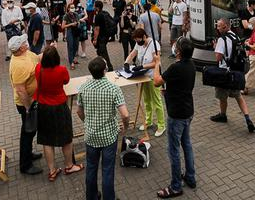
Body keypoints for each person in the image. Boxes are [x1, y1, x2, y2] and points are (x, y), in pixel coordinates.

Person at [77, 57, 129, 200]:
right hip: (108, 137)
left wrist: (87, 123)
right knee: (107, 170)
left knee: (91, 168)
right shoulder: (114, 88)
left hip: (91, 136)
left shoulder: (83, 88)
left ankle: (92, 196)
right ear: (105, 70)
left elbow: (79, 111)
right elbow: (125, 114)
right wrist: (125, 127)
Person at [152, 37, 196, 198]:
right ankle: (190, 177)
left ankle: (176, 186)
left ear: (178, 52)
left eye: (175, 46)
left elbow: (157, 81)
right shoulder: (191, 65)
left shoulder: (175, 68)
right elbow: (179, 84)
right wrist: (169, 91)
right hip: (187, 111)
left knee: (174, 150)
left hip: (177, 114)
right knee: (187, 144)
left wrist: (157, 63)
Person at [34, 45, 83, 181]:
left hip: (43, 107)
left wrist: (45, 52)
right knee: (66, 138)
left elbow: (39, 58)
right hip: (59, 106)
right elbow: (66, 81)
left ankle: (52, 170)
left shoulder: (38, 69)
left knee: (47, 140)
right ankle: (69, 165)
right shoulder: (61, 70)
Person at [210, 18, 255, 132]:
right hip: (235, 72)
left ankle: (223, 115)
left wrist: (215, 47)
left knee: (222, 96)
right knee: (238, 97)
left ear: (225, 26)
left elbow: (218, 57)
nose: (217, 28)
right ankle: (247, 118)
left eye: (219, 26)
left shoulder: (221, 40)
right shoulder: (235, 36)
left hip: (224, 72)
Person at [8, 34, 43, 175]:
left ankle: (28, 154)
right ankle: (25, 165)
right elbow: (21, 90)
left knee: (31, 130)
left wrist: (47, 52)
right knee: (28, 132)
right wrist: (29, 108)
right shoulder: (19, 65)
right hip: (26, 104)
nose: (26, 42)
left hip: (32, 100)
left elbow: (36, 59)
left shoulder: (26, 54)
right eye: (24, 42)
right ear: (21, 48)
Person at [125, 29, 166, 136]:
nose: (137, 42)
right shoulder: (138, 44)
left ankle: (161, 125)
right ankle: (148, 121)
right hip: (144, 77)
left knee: (156, 101)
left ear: (144, 36)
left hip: (153, 76)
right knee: (146, 100)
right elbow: (132, 53)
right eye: (136, 41)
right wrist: (126, 62)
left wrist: (142, 66)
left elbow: (156, 62)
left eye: (138, 40)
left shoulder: (154, 44)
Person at [92, 1, 114, 70]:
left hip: (101, 37)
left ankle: (109, 67)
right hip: (106, 36)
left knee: (103, 53)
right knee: (100, 52)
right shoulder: (105, 13)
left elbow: (97, 29)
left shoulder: (98, 16)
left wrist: (95, 39)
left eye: (94, 6)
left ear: (97, 7)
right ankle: (103, 65)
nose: (93, 7)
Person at [62, 3, 81, 70]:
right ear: (68, 8)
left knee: (76, 46)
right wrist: (71, 24)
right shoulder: (66, 16)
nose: (73, 9)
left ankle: (73, 59)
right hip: (70, 31)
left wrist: (77, 23)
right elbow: (63, 26)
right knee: (70, 47)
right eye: (71, 7)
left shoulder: (76, 14)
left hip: (76, 31)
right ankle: (71, 62)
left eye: (73, 7)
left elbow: (78, 21)